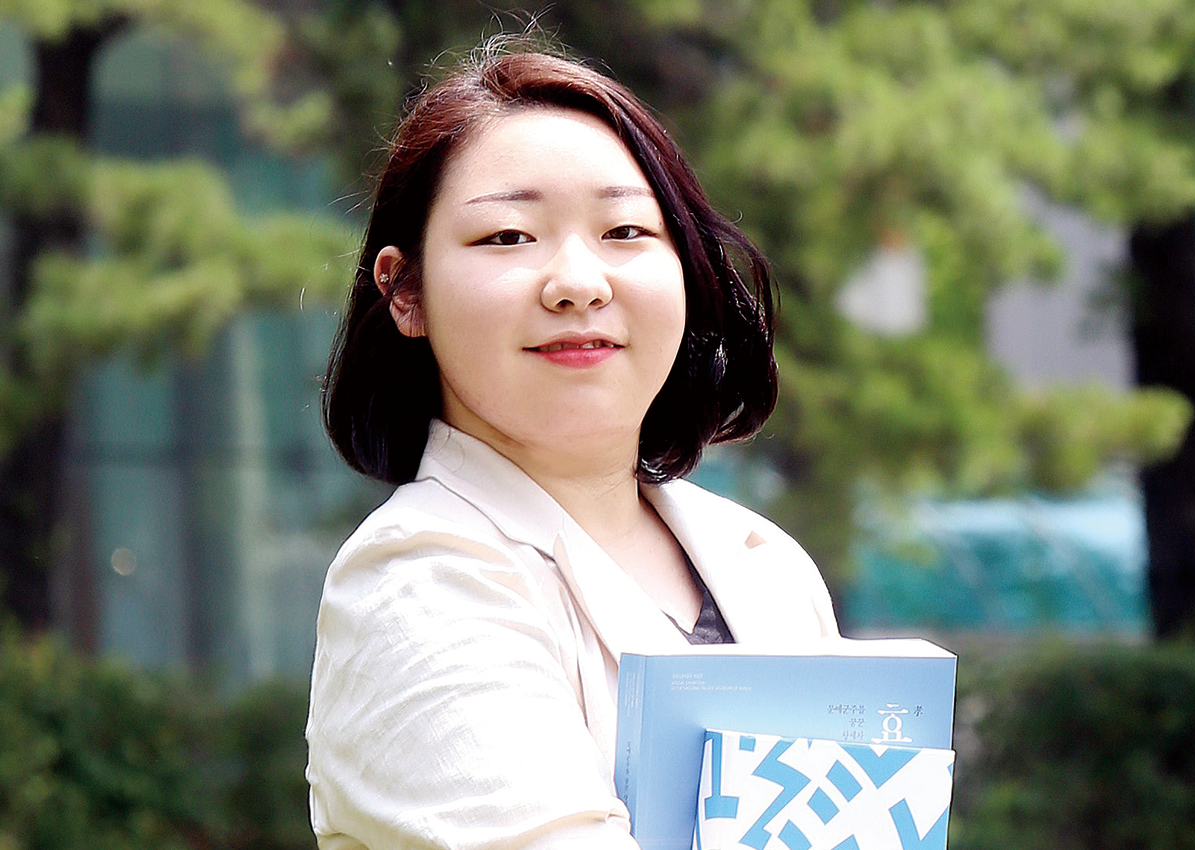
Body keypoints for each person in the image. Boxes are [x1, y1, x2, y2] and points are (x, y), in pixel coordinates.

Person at [305, 44, 840, 850]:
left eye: (625, 230)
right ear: (406, 291)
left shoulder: (765, 565)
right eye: (508, 236)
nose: (579, 283)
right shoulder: (416, 584)